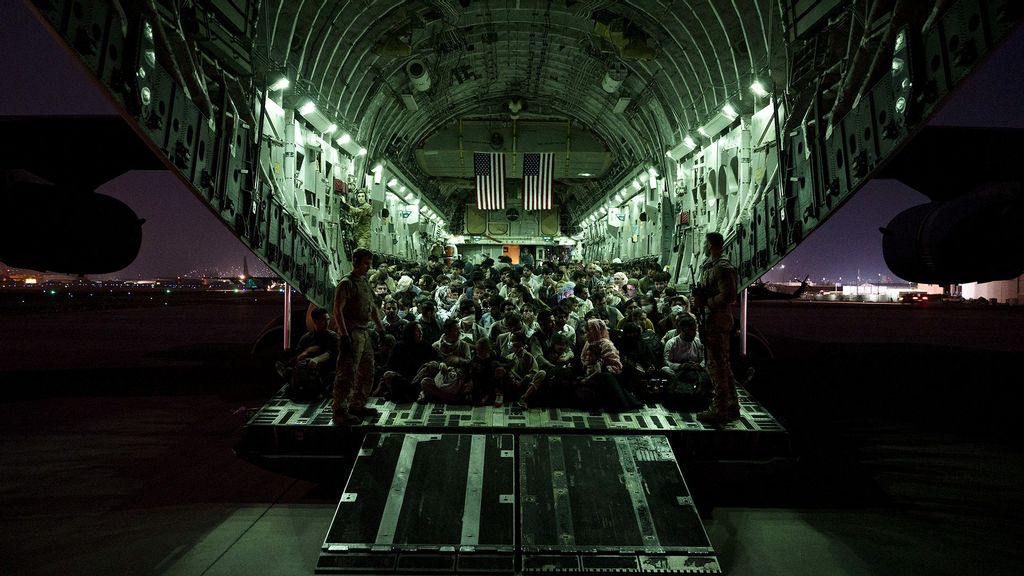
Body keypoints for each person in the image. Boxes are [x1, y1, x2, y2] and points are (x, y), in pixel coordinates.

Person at [332, 248, 386, 425]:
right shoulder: (346, 283)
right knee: (347, 372)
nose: (368, 267)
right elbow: (337, 310)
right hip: (352, 332)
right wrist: (344, 334)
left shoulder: (363, 282)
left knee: (367, 370)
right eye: (365, 263)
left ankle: (357, 403)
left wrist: (380, 328)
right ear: (355, 262)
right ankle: (340, 411)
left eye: (370, 264)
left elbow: (372, 308)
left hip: (364, 332)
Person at [693, 232, 739, 424]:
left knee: (716, 366)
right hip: (711, 320)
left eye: (705, 243)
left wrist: (708, 301)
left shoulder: (722, 267)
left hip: (718, 321)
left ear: (711, 245)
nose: (703, 246)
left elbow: (729, 295)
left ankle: (719, 409)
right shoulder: (711, 266)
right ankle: (731, 405)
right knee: (722, 364)